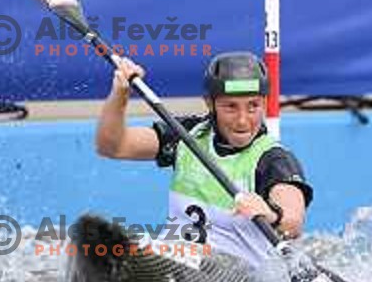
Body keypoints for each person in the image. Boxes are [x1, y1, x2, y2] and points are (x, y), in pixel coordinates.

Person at [96, 51, 314, 270]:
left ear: (265, 103)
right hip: (178, 261)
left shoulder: (273, 158)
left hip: (238, 280)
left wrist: (271, 214)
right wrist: (120, 94)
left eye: (253, 106)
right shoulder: (187, 135)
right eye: (230, 107)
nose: (242, 120)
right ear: (210, 103)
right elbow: (113, 146)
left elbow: (293, 223)